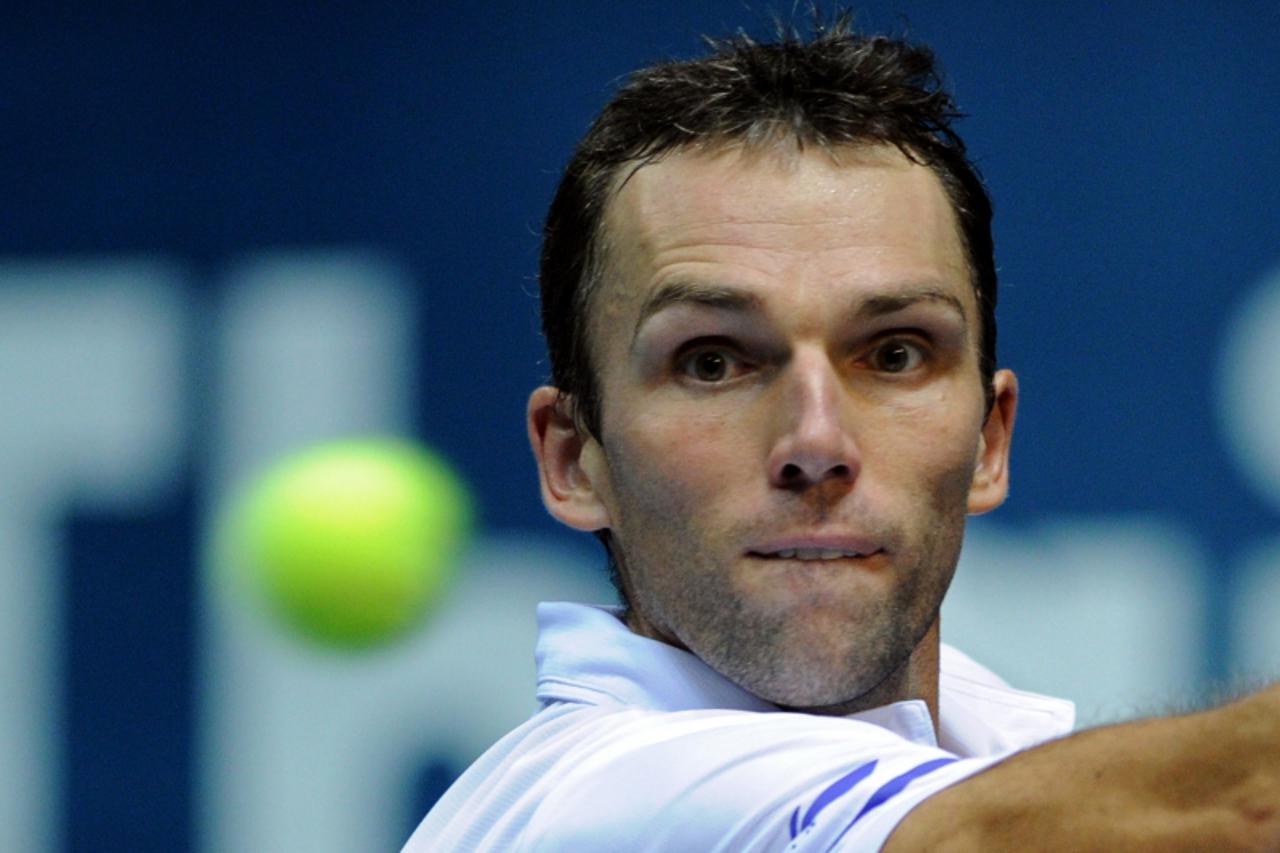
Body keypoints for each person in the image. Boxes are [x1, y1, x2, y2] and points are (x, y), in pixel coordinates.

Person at [405, 16, 1280, 851]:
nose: (816, 441)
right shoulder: (595, 802)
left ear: (990, 439)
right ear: (572, 459)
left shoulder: (989, 741)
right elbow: (1246, 806)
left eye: (894, 354)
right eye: (713, 361)